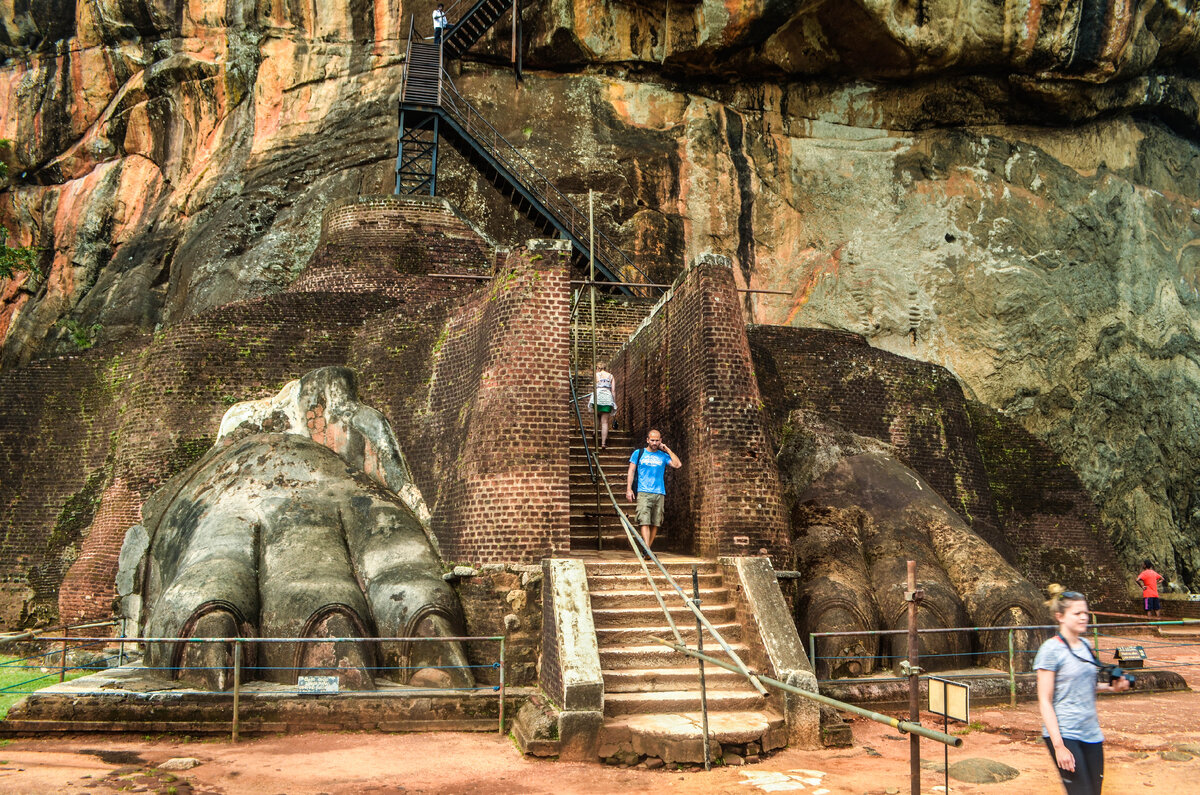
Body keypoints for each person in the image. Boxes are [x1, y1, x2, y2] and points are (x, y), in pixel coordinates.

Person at [1035, 585, 1131, 794]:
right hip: (1065, 732)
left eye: (1085, 613)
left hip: (1091, 732)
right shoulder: (1050, 650)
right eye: (1077, 613)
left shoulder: (1086, 646)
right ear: (1060, 616)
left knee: (1094, 791)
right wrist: (1059, 746)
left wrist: (1113, 688)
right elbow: (1045, 700)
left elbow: (1087, 686)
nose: (1083, 618)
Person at [625, 429, 681, 550]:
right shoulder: (638, 453)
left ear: (660, 441)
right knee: (644, 520)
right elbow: (631, 471)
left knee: (656, 522)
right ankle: (648, 550)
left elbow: (677, 465)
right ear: (647, 440)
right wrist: (629, 489)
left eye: (657, 440)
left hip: (659, 492)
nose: (654, 443)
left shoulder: (663, 456)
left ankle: (646, 550)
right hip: (643, 491)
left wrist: (667, 449)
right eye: (652, 440)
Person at [585, 365, 617, 448]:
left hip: (597, 398)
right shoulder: (611, 376)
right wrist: (613, 402)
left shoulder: (596, 375)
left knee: (596, 416)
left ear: (598, 368)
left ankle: (595, 431)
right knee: (605, 422)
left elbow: (594, 387)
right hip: (607, 399)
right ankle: (603, 443)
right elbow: (613, 391)